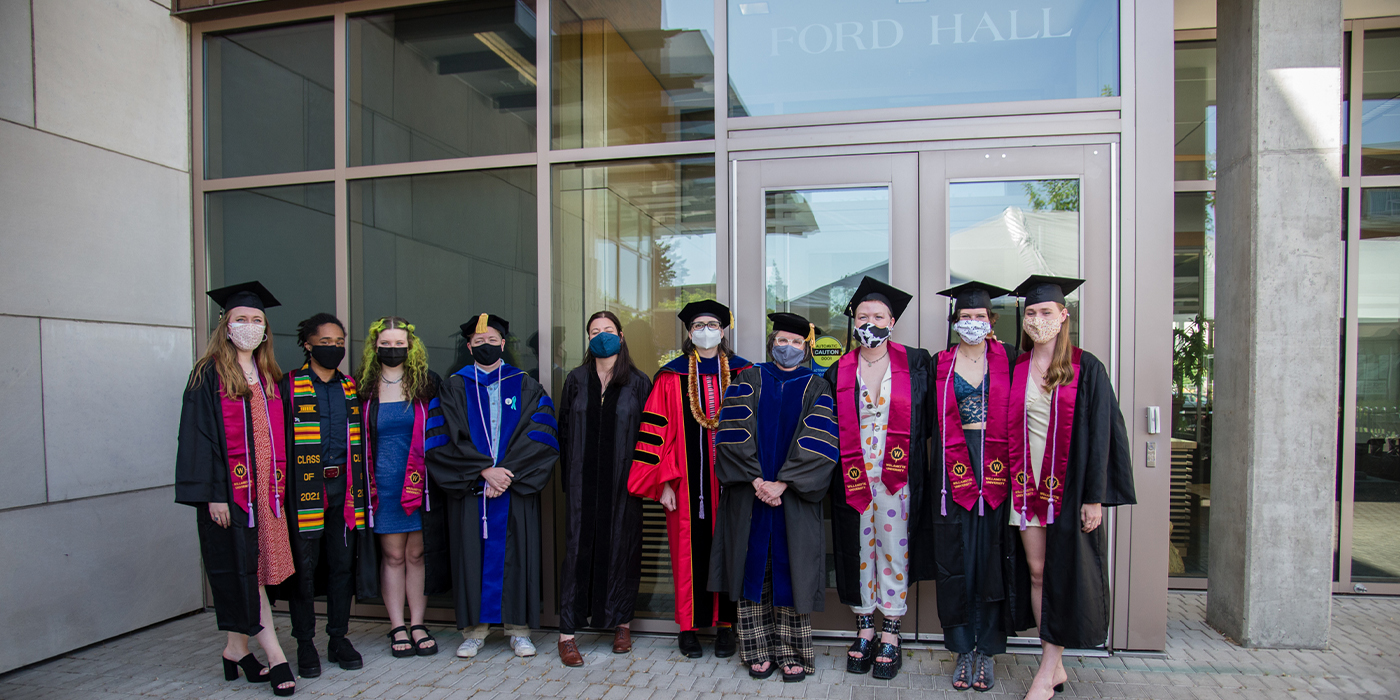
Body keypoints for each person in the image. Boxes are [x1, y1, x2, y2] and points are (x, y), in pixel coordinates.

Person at [1006, 275, 1136, 700]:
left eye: (1046, 312)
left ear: (1064, 316)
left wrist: (1095, 496)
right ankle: (1054, 662)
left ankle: (1045, 672)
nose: (1038, 319)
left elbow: (1103, 434)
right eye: (1031, 313)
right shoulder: (1017, 366)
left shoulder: (1087, 367)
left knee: (1064, 573)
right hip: (1026, 488)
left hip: (1069, 487)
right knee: (1039, 573)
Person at [176, 281, 297, 696]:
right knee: (248, 574)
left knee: (256, 572)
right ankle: (277, 656)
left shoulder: (268, 374)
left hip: (267, 494)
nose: (249, 325)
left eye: (257, 320)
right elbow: (198, 439)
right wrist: (213, 494)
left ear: (266, 330)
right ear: (225, 326)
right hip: (231, 495)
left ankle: (235, 652)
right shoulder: (208, 373)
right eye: (240, 319)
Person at [711, 313, 838, 683]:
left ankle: (793, 652)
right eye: (783, 341)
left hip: (793, 499)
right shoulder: (749, 378)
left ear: (806, 348)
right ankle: (756, 651)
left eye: (797, 343)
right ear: (772, 343)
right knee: (754, 570)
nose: (789, 348)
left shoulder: (817, 386)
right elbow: (732, 431)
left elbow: (821, 442)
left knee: (791, 570)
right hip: (750, 495)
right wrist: (756, 481)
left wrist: (783, 483)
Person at [427, 313, 559, 659]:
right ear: (469, 346)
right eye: (478, 341)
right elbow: (443, 440)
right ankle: (474, 631)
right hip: (474, 489)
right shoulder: (453, 387)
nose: (486, 345)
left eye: (492, 340)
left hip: (512, 489)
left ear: (504, 343)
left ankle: (519, 630)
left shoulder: (527, 385)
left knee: (518, 556)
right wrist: (484, 471)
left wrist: (506, 472)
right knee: (472, 555)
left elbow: (542, 435)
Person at [628, 299, 753, 659]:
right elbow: (656, 432)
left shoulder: (746, 373)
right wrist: (663, 483)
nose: (705, 330)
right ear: (688, 332)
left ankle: (728, 625)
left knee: (733, 550)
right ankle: (688, 627)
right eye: (698, 325)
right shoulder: (671, 377)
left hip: (734, 484)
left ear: (723, 330)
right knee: (687, 554)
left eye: (711, 324)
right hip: (687, 486)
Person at [825, 277, 933, 681]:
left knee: (892, 549)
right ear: (854, 321)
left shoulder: (916, 363)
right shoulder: (839, 369)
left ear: (893, 321)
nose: (870, 321)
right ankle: (864, 627)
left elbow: (930, 423)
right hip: (852, 478)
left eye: (879, 316)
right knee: (858, 550)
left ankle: (891, 630)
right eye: (863, 315)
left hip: (897, 478)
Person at [931, 282, 1019, 692]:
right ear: (954, 321)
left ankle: (987, 649)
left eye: (979, 317)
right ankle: (963, 649)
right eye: (964, 318)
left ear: (991, 322)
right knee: (958, 557)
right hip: (954, 467)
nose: (971, 323)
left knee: (992, 557)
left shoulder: (1012, 361)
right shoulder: (937, 364)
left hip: (999, 464)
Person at [556, 311, 653, 667]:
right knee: (576, 552)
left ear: (621, 336)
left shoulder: (639, 382)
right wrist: (569, 480)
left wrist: (644, 482)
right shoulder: (576, 380)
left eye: (607, 330)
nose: (601, 336)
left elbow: (649, 439)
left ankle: (621, 625)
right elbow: (564, 433)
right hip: (582, 486)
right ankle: (567, 634)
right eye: (594, 331)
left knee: (623, 550)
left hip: (623, 487)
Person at [279, 313, 367, 679]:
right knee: (305, 570)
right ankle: (304, 642)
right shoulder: (289, 386)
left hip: (344, 491)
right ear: (308, 344)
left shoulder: (350, 387)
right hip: (305, 492)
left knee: (342, 566)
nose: (333, 348)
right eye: (326, 343)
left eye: (339, 342)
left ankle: (338, 638)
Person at [357, 317, 449, 659]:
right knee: (393, 556)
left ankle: (419, 623)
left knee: (416, 554)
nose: (393, 350)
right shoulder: (363, 386)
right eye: (387, 344)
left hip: (420, 483)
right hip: (381, 485)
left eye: (399, 344)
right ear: (375, 346)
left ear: (411, 347)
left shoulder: (427, 384)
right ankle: (397, 625)